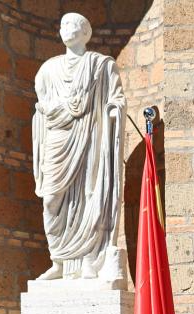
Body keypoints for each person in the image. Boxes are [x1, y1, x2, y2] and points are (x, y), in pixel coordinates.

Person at [32, 13, 126, 283]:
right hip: (58, 138)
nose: (64, 28)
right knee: (51, 198)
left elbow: (117, 99)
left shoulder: (101, 65)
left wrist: (112, 112)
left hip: (90, 138)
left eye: (71, 24)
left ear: (86, 32)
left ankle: (89, 259)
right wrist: (53, 110)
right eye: (61, 24)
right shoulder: (48, 69)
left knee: (90, 194)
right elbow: (42, 105)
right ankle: (58, 260)